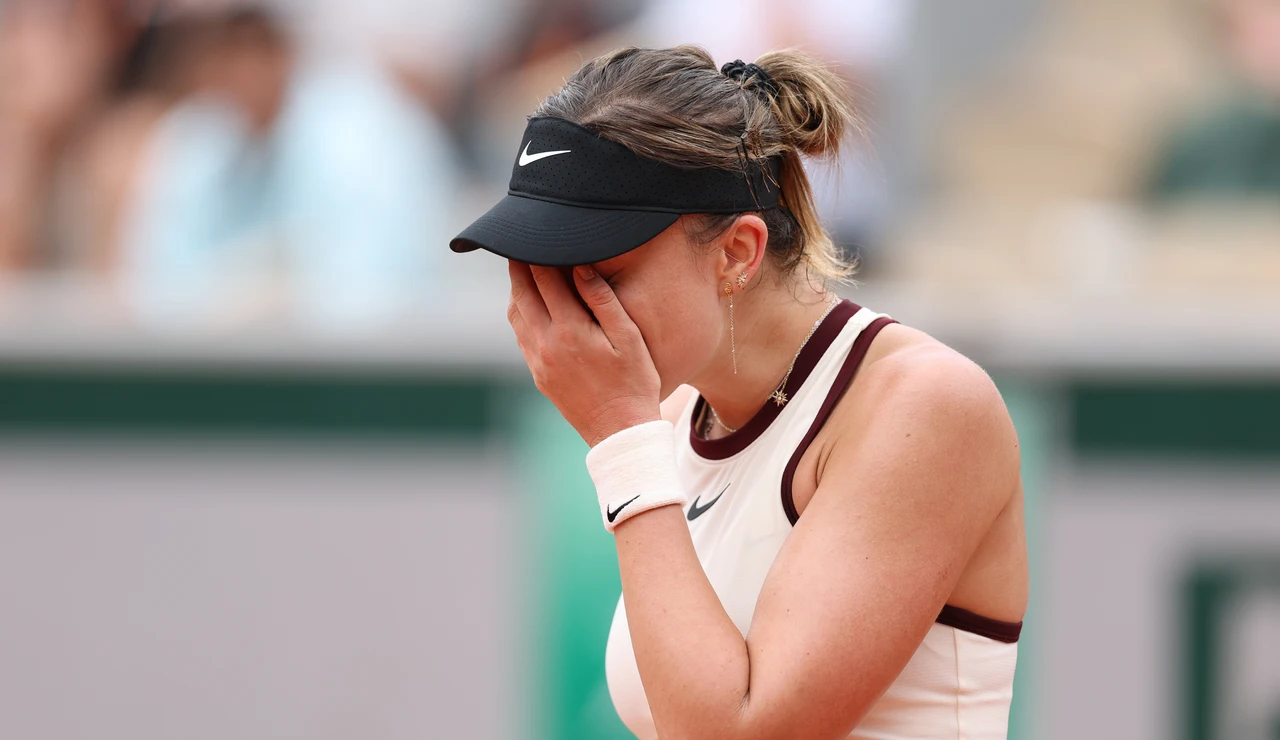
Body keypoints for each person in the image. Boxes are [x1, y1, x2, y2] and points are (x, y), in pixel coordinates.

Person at [451, 46, 1027, 739]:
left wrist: (621, 438)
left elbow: (738, 730)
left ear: (736, 254)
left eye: (602, 272)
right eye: (545, 269)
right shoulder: (669, 413)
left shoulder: (926, 405)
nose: (568, 313)